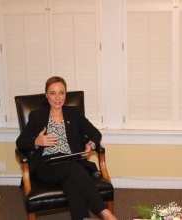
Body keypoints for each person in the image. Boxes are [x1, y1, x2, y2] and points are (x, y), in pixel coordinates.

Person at [16, 76, 117, 220]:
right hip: (47, 165)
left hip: (72, 163)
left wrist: (91, 145)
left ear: (65, 94)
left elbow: (95, 133)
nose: (57, 97)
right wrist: (37, 141)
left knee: (71, 183)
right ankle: (105, 213)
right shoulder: (37, 116)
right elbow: (20, 142)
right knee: (73, 168)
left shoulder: (74, 113)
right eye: (53, 93)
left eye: (61, 93)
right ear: (46, 95)